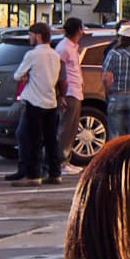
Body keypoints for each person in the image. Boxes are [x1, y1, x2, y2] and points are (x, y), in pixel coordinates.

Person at [11, 23, 64, 184]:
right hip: (50, 100)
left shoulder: (32, 55)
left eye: (31, 35)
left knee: (33, 139)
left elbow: (17, 75)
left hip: (34, 101)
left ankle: (34, 175)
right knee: (51, 139)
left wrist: (26, 75)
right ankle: (55, 172)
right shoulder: (55, 55)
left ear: (38, 36)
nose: (30, 38)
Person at [54, 15, 85, 167]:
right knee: (65, 128)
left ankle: (66, 159)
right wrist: (61, 94)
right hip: (69, 92)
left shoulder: (73, 48)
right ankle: (60, 161)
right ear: (79, 30)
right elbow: (59, 72)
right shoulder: (64, 48)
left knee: (72, 129)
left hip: (76, 91)